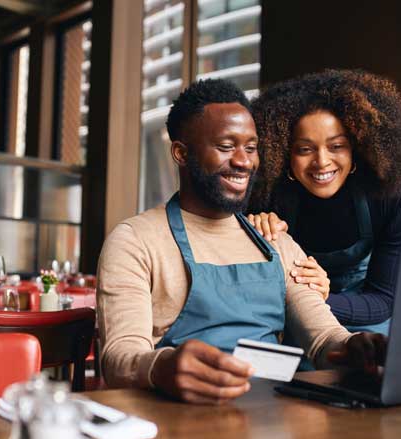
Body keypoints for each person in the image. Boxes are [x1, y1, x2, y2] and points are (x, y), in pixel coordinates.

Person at [97, 78, 386, 405]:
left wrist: (355, 347)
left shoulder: (275, 241)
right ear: (181, 153)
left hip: (272, 420)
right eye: (225, 147)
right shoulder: (136, 241)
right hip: (175, 420)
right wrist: (162, 365)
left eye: (250, 148)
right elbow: (119, 357)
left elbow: (323, 340)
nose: (244, 161)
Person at [248, 69, 401, 334]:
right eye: (304, 149)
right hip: (297, 318)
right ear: (283, 154)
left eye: (336, 146)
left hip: (367, 319)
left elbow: (383, 300)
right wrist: (255, 231)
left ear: (357, 147)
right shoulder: (266, 196)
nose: (322, 161)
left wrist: (321, 297)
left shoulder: (395, 194)